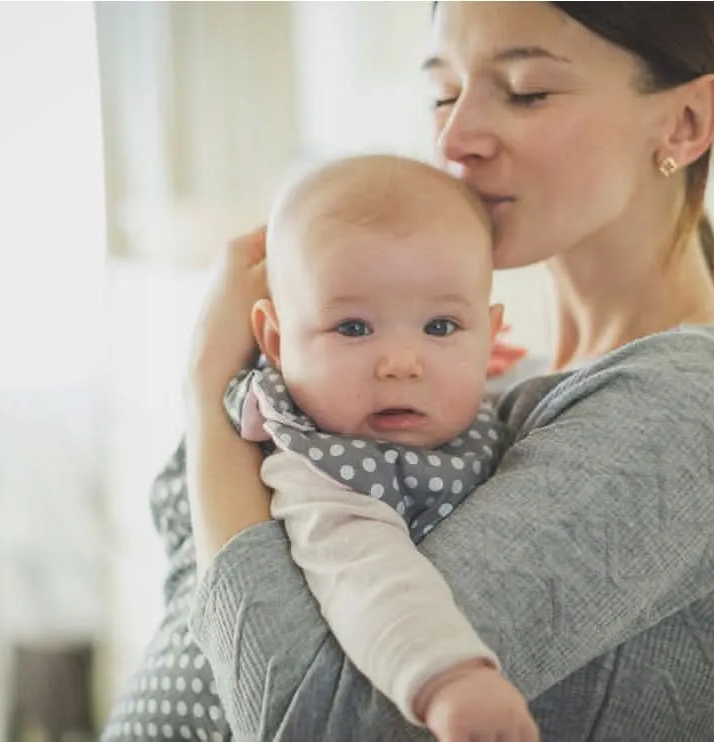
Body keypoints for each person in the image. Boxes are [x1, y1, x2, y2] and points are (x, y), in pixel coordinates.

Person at [103, 3, 714, 741]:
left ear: (686, 122)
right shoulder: (479, 388)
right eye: (444, 93)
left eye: (527, 89)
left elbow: (320, 726)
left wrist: (207, 381)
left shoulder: (692, 410)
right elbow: (192, 575)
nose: (454, 137)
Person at [223, 153, 537, 738]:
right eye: (353, 328)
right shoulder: (321, 465)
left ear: (489, 336)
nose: (400, 364)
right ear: (276, 338)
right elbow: (365, 575)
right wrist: (450, 680)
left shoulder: (499, 404)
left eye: (441, 327)